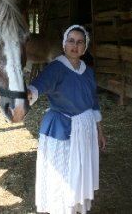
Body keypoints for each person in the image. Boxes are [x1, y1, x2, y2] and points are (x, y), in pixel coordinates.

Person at [27, 24, 106, 214]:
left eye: (80, 42)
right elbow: (38, 86)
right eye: (71, 41)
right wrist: (27, 93)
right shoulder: (56, 67)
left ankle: (75, 208)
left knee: (78, 174)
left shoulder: (87, 71)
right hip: (60, 129)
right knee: (61, 175)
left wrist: (100, 130)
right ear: (64, 44)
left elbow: (93, 102)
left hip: (85, 130)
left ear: (85, 46)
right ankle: (58, 209)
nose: (75, 45)